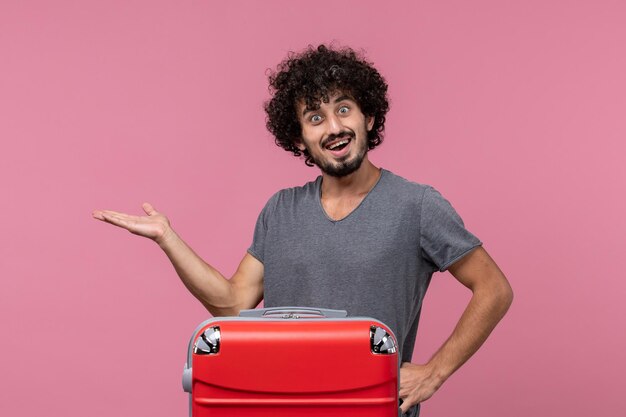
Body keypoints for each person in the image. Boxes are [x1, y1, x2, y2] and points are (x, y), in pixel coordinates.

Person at [93, 44, 513, 416]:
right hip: (279, 407)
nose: (333, 127)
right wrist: (168, 238)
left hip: (370, 408)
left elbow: (494, 289)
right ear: (299, 139)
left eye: (343, 109)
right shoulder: (281, 209)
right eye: (316, 117)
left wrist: (433, 374)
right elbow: (232, 304)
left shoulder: (417, 205)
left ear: (368, 116)